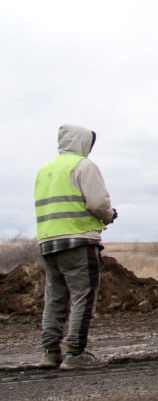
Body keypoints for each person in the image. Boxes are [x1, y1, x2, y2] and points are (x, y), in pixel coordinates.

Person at [34, 125, 118, 370]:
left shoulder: (44, 170)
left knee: (55, 297)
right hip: (79, 241)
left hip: (49, 242)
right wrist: (108, 216)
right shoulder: (83, 166)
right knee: (83, 295)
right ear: (83, 143)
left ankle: (50, 352)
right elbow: (97, 202)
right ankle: (75, 352)